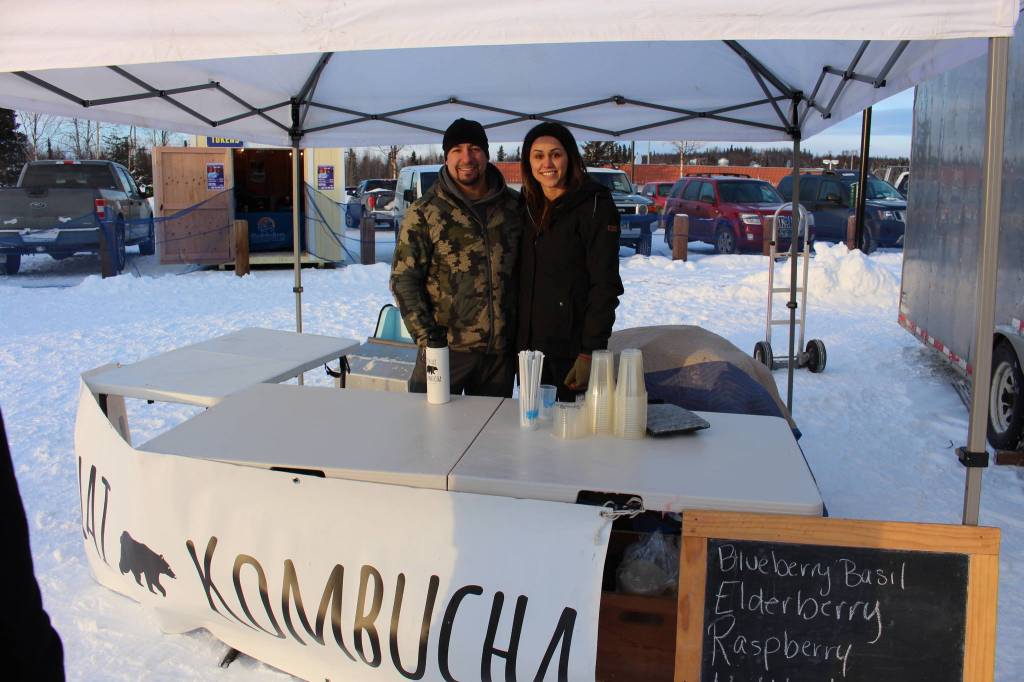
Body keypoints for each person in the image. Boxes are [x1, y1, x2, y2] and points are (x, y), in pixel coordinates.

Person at [390, 118, 524, 397]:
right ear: (446, 156)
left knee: (490, 435)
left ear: (486, 154)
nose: (467, 158)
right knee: (427, 432)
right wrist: (429, 342)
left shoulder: (514, 208)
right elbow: (404, 280)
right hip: (445, 352)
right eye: (457, 150)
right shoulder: (426, 211)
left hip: (498, 356)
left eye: (475, 148)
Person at [517, 122, 624, 402]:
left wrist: (590, 351)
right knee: (532, 430)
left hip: (570, 351)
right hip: (529, 352)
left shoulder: (595, 205)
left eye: (556, 154)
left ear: (570, 157)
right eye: (538, 155)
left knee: (570, 436)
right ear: (528, 163)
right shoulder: (526, 205)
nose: (547, 163)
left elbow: (605, 285)